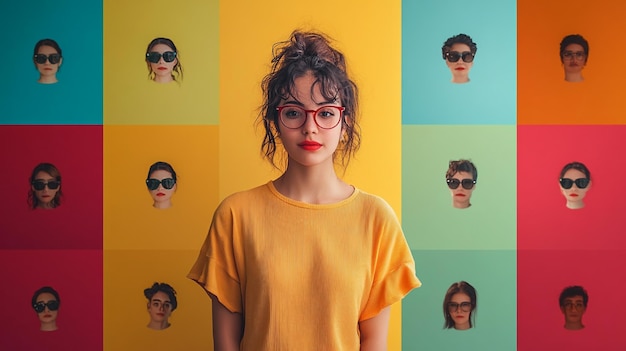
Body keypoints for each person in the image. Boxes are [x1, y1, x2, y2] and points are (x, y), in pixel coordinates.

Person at [187, 30, 420, 350]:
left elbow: (374, 342)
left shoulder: (376, 218)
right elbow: (226, 342)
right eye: (294, 112)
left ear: (345, 122)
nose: (310, 127)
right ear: (275, 121)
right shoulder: (236, 215)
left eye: (325, 113)